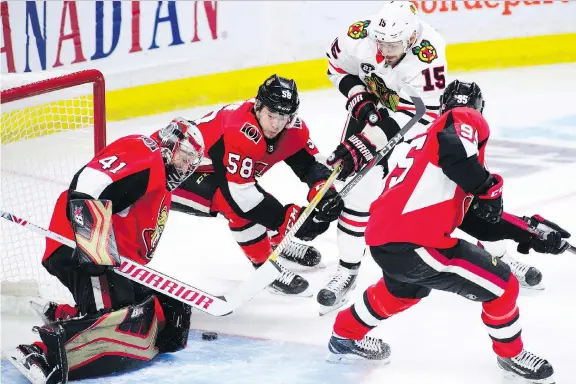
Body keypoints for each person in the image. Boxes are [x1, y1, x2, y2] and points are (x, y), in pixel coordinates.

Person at [325, 80, 570, 384]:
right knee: (502, 285)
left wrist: (527, 231)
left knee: (401, 290)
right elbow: (458, 152)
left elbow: (474, 219)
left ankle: (344, 336)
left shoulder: (425, 146)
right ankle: (511, 356)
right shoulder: (462, 119)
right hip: (416, 243)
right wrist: (488, 187)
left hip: (385, 240)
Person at [318, 2, 541, 314]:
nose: (384, 50)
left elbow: (421, 117)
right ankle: (347, 270)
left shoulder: (428, 53)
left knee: (450, 194)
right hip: (372, 110)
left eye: (393, 44)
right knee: (358, 194)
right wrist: (359, 98)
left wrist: (372, 139)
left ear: (410, 39)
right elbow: (335, 67)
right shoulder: (360, 35)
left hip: (411, 123)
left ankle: (496, 255)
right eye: (380, 42)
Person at [10, 118, 205, 383]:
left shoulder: (160, 185)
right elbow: (89, 182)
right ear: (170, 144)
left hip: (108, 256)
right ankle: (37, 353)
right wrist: (94, 246)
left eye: (190, 163)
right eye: (184, 156)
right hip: (77, 243)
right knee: (116, 320)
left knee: (162, 314)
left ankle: (70, 315)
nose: (184, 167)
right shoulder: (145, 153)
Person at [171, 74, 343, 296]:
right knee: (236, 205)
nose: (276, 124)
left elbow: (310, 166)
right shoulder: (240, 129)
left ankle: (273, 241)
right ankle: (265, 270)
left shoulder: (291, 128)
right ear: (258, 107)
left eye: (284, 117)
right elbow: (240, 196)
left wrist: (325, 193)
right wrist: (286, 220)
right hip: (177, 174)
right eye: (271, 115)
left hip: (216, 170)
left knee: (257, 201)